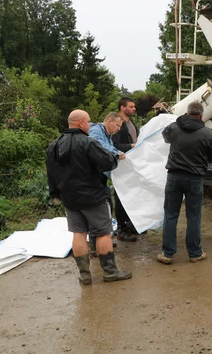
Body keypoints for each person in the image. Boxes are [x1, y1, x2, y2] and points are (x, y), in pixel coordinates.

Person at [46, 109, 132, 285]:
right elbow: (107, 161)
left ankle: (85, 276)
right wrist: (115, 159)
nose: (91, 125)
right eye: (89, 122)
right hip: (93, 196)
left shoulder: (54, 145)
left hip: (69, 198)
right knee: (103, 233)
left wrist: (56, 193)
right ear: (81, 123)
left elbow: (51, 172)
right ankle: (110, 272)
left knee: (79, 233)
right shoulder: (88, 143)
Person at [156, 102, 212, 264]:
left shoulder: (173, 128)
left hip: (174, 177)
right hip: (195, 179)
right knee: (194, 216)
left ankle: (167, 254)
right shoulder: (208, 133)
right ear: (201, 115)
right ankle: (195, 253)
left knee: (170, 215)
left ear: (186, 112)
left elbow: (165, 137)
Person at [88, 112, 126, 257]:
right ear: (109, 121)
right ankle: (95, 248)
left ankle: (102, 242)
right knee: (96, 213)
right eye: (117, 125)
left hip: (101, 178)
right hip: (94, 178)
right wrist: (116, 152)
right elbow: (98, 145)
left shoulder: (107, 135)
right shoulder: (96, 131)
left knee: (105, 210)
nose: (118, 129)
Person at [111, 97, 139, 242]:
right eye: (131, 106)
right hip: (121, 165)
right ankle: (122, 228)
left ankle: (130, 225)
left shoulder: (130, 123)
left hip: (131, 164)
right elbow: (114, 145)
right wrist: (131, 147)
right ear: (122, 107)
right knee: (121, 196)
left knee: (132, 194)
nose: (134, 109)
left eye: (134, 106)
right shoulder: (118, 124)